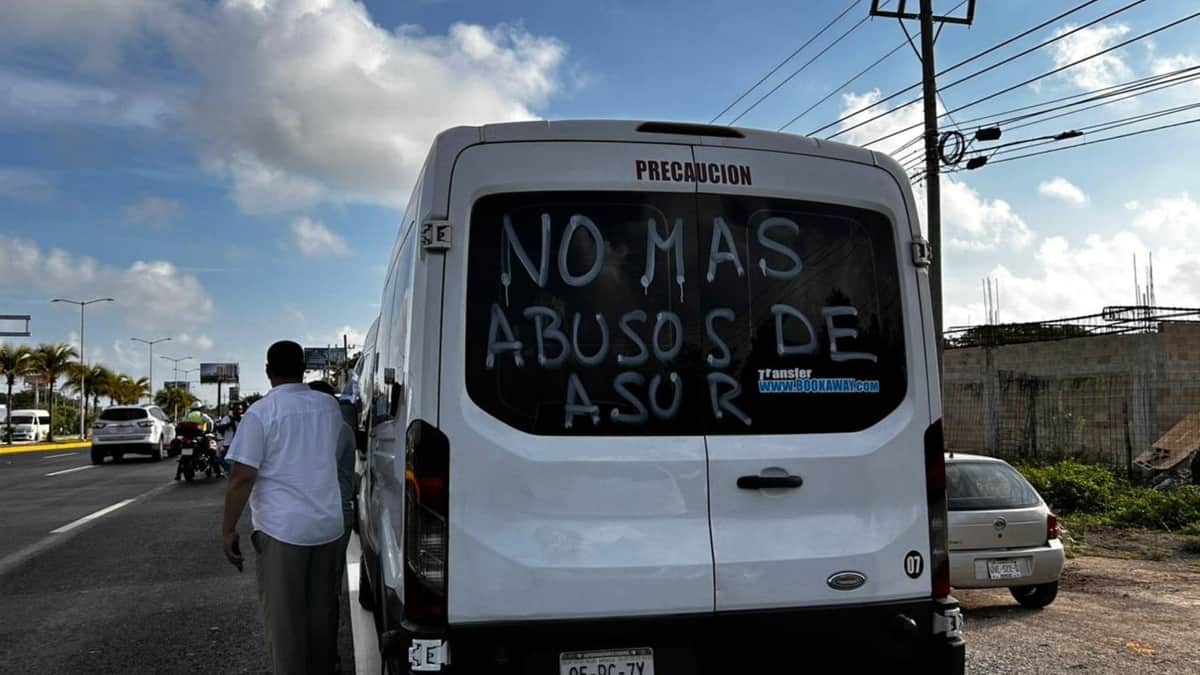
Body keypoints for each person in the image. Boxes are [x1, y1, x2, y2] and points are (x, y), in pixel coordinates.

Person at [222, 341, 345, 674]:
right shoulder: (329, 407)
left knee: (286, 625)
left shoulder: (262, 412)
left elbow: (242, 477)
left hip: (283, 531)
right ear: (304, 368)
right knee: (323, 617)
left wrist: (228, 529)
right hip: (328, 527)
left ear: (267, 371)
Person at [309, 380, 356, 671]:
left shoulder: (334, 429)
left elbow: (318, 467)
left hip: (333, 513)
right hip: (328, 512)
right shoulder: (335, 427)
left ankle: (327, 657)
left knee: (325, 592)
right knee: (320, 590)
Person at [217, 402, 244, 473]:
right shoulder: (227, 418)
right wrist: (231, 422)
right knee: (220, 459)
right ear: (233, 410)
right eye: (236, 409)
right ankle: (229, 471)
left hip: (241, 444)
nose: (238, 411)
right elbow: (220, 428)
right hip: (229, 444)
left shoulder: (244, 418)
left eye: (240, 409)